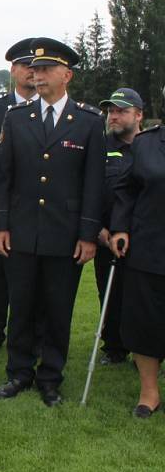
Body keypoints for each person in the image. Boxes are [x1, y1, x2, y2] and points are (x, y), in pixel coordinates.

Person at [0, 37, 105, 407]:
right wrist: (2, 225)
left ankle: (50, 376)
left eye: (45, 70)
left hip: (64, 234)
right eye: (34, 69)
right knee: (21, 305)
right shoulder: (16, 117)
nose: (36, 75)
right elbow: (3, 177)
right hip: (22, 231)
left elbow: (94, 184)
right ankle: (19, 372)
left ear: (66, 75)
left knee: (58, 309)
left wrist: (88, 234)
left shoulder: (89, 122)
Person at [0, 38, 38, 356]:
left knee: (33, 272)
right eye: (25, 66)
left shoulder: (49, 107)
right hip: (1, 204)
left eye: (36, 67)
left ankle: (30, 333)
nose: (31, 72)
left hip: (36, 205)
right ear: (13, 70)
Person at [111, 121, 165, 417]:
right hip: (149, 247)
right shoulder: (145, 143)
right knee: (146, 321)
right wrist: (120, 227)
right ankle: (149, 393)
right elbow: (126, 190)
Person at [94, 88, 143, 365]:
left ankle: (147, 349)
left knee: (145, 296)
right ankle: (114, 346)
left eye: (121, 111)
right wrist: (99, 231)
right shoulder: (100, 146)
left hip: (145, 238)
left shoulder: (151, 147)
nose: (114, 116)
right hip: (107, 236)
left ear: (138, 115)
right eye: (111, 111)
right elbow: (89, 191)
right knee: (110, 293)